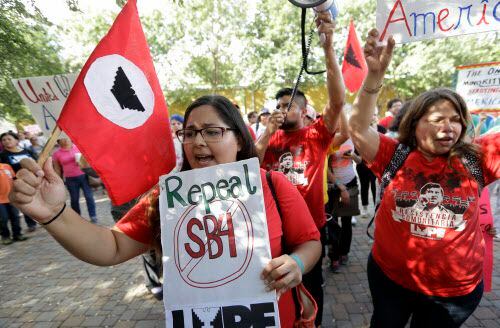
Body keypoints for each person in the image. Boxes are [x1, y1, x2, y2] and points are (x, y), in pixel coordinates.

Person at [9, 95, 322, 328]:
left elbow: (310, 243)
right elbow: (112, 247)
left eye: (212, 131)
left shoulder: (273, 183)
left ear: (239, 138)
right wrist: (52, 212)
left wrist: (296, 263)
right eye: (189, 133)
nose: (198, 141)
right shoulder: (170, 197)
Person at [349, 28, 500, 327]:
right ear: (414, 124)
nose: (450, 127)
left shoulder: (478, 157)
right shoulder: (394, 154)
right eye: (438, 119)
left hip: (454, 295)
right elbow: (356, 128)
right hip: (390, 280)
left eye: (456, 119)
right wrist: (374, 77)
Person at [256, 11, 344, 327]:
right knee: (274, 278)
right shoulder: (269, 137)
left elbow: (337, 102)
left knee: (312, 282)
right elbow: (248, 166)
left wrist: (328, 49)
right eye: (280, 106)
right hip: (276, 226)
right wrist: (266, 133)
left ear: (303, 109)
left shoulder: (316, 135)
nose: (285, 109)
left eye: (291, 105)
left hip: (311, 228)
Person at [326, 138, 360, 271]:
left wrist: (353, 156)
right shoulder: (329, 138)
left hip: (351, 182)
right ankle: (334, 256)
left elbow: (360, 161)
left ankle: (344, 252)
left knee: (347, 222)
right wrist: (339, 186)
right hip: (333, 185)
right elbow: (325, 168)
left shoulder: (352, 139)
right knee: (332, 222)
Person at [52, 138, 97, 223]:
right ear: (58, 142)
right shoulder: (56, 154)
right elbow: (57, 168)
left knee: (89, 197)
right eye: (62, 139)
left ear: (70, 140)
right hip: (70, 179)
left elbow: (89, 160)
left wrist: (81, 162)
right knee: (74, 199)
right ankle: (78, 218)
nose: (65, 141)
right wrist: (58, 181)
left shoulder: (78, 147)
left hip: (84, 176)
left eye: (67, 139)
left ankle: (93, 216)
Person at [0, 131, 38, 231]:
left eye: (9, 139)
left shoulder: (26, 151)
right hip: (17, 183)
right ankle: (31, 224)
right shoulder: (2, 156)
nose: (6, 142)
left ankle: (42, 219)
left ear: (16, 140)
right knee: (25, 203)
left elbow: (36, 162)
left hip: (33, 180)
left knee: (37, 201)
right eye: (3, 140)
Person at [0, 162, 27, 244]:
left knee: (15, 217)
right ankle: (5, 237)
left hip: (12, 198)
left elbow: (14, 178)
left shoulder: (7, 166)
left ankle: (17, 234)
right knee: (3, 219)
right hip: (0, 200)